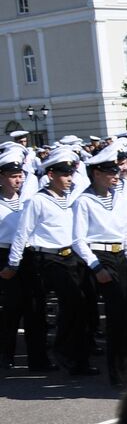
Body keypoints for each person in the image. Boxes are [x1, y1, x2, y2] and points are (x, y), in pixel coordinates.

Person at [5, 149, 97, 375]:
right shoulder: (38, 200)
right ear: (51, 175)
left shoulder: (73, 197)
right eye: (65, 174)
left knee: (82, 307)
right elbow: (22, 233)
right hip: (48, 258)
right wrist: (13, 263)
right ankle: (62, 350)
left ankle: (78, 359)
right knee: (70, 302)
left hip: (72, 257)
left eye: (71, 174)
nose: (69, 179)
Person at [73, 144, 127, 385]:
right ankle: (118, 372)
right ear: (97, 174)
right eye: (110, 172)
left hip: (120, 256)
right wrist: (96, 267)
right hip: (101, 258)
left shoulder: (118, 197)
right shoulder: (84, 201)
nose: (116, 176)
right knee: (117, 315)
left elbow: (125, 232)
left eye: (116, 172)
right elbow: (78, 240)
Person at [0, 149, 49, 371]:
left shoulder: (28, 201)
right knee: (10, 309)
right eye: (12, 176)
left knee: (35, 308)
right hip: (3, 255)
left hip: (28, 256)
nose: (18, 180)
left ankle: (38, 358)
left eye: (20, 175)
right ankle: (5, 356)